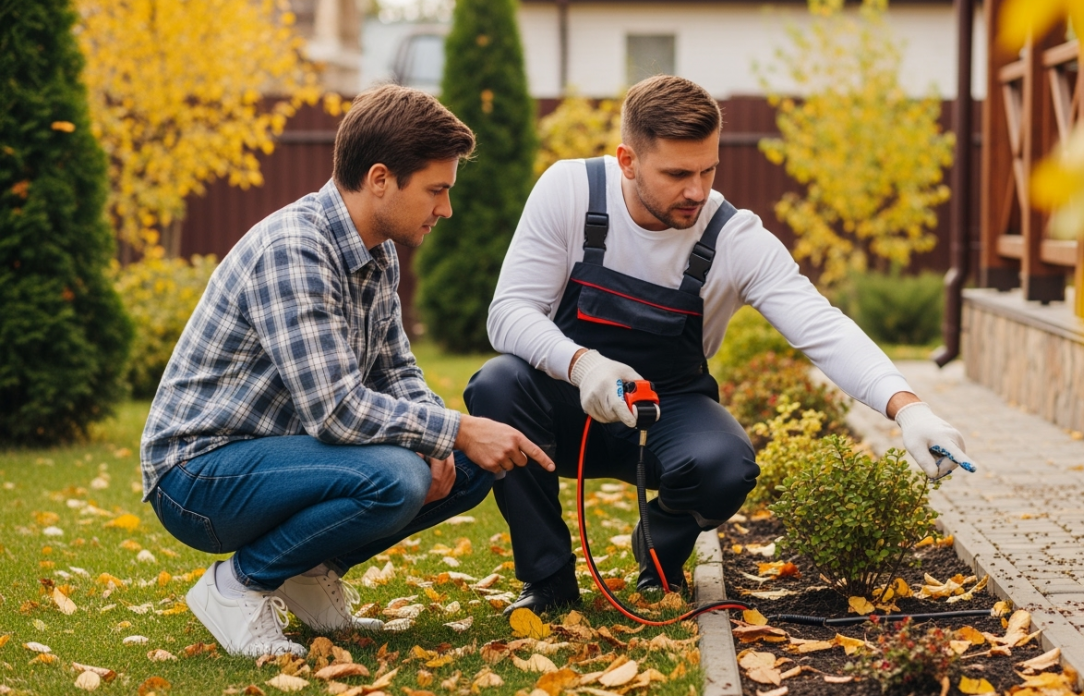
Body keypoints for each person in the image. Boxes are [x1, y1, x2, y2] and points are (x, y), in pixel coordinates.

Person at [466, 75, 976, 617]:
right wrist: (584, 365)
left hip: (668, 407)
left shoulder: (733, 237)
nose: (697, 191)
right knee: (496, 386)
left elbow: (821, 325)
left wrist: (909, 408)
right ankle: (548, 583)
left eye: (708, 170)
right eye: (678, 173)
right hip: (568, 406)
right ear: (628, 160)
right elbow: (509, 313)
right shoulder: (570, 192)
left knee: (726, 467)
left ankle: (658, 552)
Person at [140, 85, 555, 658]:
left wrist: (448, 440)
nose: (446, 209)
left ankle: (306, 575)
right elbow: (337, 412)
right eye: (437, 190)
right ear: (380, 179)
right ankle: (236, 586)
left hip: (281, 456)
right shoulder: (296, 249)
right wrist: (452, 428)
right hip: (198, 474)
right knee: (397, 476)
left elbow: (396, 369)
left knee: (466, 464)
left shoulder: (375, 249)